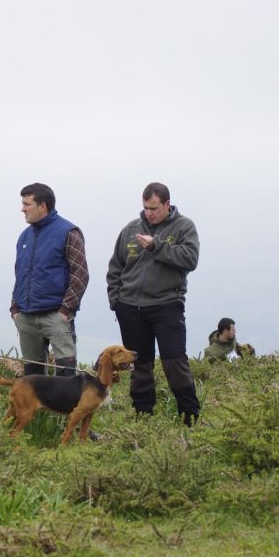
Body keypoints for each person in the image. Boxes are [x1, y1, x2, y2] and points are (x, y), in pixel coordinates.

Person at [107, 182, 201, 425]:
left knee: (175, 363)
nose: (149, 213)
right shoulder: (130, 229)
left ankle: (190, 419)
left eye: (154, 208)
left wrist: (156, 246)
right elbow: (116, 266)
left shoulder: (184, 227)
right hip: (130, 307)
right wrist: (115, 300)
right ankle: (142, 420)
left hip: (167, 305)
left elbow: (190, 259)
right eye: (145, 208)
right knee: (139, 366)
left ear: (167, 205)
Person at [11, 183, 88, 377]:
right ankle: (37, 409)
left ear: (42, 205)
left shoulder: (69, 232)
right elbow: (20, 274)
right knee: (32, 377)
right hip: (26, 315)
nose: (23, 209)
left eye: (27, 204)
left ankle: (67, 408)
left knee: (66, 374)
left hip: (56, 314)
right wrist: (15, 308)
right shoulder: (24, 237)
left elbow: (80, 275)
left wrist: (65, 310)